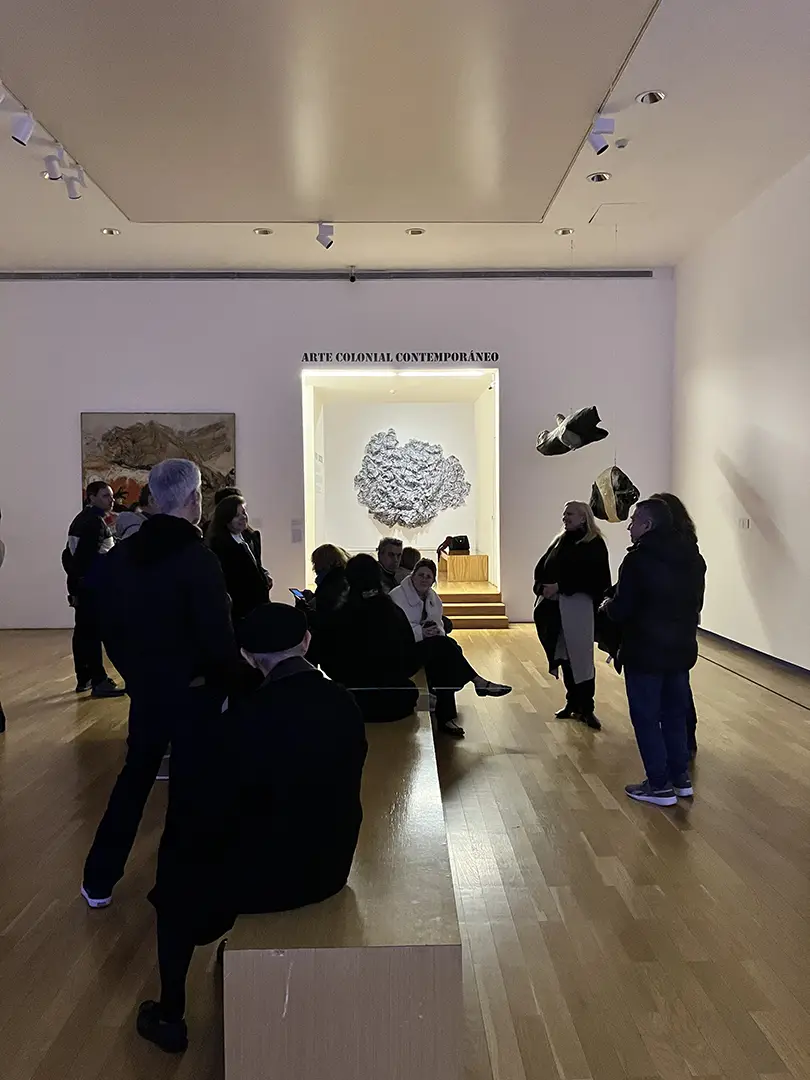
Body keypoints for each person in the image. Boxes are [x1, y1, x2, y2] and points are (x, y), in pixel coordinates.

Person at [137, 603, 367, 1053]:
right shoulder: (343, 702)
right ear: (306, 642)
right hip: (331, 866)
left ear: (246, 655)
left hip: (268, 883)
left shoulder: (241, 720)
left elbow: (208, 807)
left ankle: (169, 1014)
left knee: (175, 877)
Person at [81, 459, 243, 908]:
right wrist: (235, 680)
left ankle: (98, 879)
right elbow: (217, 637)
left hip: (149, 690)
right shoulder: (198, 559)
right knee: (189, 788)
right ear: (193, 499)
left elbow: (106, 623)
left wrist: (135, 673)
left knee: (135, 777)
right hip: (194, 693)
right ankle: (178, 887)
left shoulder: (124, 555)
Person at [601, 499, 706, 807]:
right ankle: (680, 779)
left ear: (647, 525)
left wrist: (607, 606)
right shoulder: (693, 558)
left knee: (646, 717)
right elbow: (696, 604)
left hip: (645, 650)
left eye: (634, 520)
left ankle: (659, 786)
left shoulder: (637, 560)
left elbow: (623, 609)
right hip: (681, 649)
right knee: (675, 715)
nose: (629, 526)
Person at [391, 559, 511, 737]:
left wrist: (434, 631)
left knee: (447, 654)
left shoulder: (432, 598)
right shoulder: (397, 596)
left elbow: (438, 623)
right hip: (403, 650)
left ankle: (449, 714)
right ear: (412, 576)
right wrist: (421, 632)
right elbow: (396, 631)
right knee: (447, 649)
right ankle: (476, 684)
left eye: (428, 576)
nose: (424, 579)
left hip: (427, 645)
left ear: (433, 580)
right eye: (420, 575)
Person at [533, 501, 611, 730]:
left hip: (579, 608)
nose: (565, 517)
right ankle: (572, 702)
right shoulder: (561, 540)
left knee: (581, 659)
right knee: (564, 657)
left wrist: (560, 586)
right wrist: (542, 587)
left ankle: (587, 707)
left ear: (583, 517)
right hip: (555, 608)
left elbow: (595, 579)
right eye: (564, 513)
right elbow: (542, 568)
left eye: (570, 514)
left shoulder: (594, 544)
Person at [319, 554, 419, 722]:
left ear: (348, 580)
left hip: (353, 701)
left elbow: (328, 663)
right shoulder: (394, 613)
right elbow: (409, 660)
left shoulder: (339, 617)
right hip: (395, 702)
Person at [63, 480, 125, 698]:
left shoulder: (82, 519)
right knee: (96, 633)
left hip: (86, 586)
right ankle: (99, 679)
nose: (112, 500)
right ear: (91, 497)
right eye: (106, 496)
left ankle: (85, 678)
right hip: (93, 587)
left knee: (84, 632)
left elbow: (68, 556)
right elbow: (85, 559)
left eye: (111, 496)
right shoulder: (94, 523)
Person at [651, 492, 700, 757]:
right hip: (682, 630)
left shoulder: (659, 555)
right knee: (679, 685)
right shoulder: (691, 553)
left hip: (664, 632)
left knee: (670, 688)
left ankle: (678, 743)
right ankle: (685, 740)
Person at [206, 494, 272, 620]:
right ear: (226, 519)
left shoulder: (250, 537)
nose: (243, 517)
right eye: (237, 515)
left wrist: (264, 575)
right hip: (240, 610)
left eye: (244, 512)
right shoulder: (220, 546)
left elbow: (256, 564)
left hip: (260, 604)